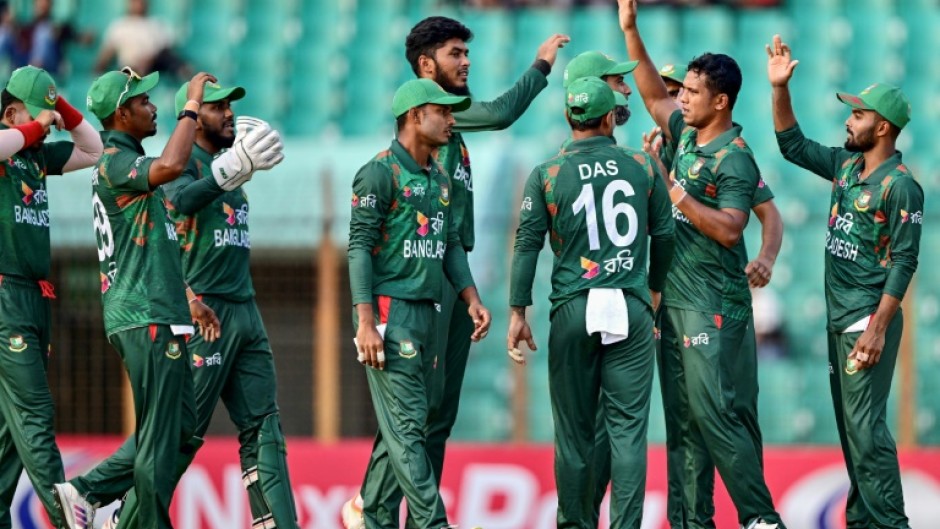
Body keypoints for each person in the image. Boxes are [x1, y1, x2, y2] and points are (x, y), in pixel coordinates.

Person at [343, 16, 568, 527]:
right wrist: (541, 66)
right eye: (455, 54)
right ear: (426, 67)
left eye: (467, 53)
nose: (466, 62)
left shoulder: (443, 131)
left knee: (432, 415)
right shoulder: (436, 121)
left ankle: (369, 506)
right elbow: (504, 112)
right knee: (417, 414)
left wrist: (469, 292)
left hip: (451, 274)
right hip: (418, 284)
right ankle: (392, 514)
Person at [54, 81, 290, 529]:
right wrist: (225, 170)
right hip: (159, 314)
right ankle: (110, 505)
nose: (228, 115)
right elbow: (176, 191)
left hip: (208, 308)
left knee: (201, 428)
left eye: (228, 106)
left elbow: (163, 239)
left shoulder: (165, 164)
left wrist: (186, 299)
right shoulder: (139, 163)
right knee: (170, 434)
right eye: (216, 107)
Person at [616, 1, 786, 528]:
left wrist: (672, 190)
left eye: (691, 92)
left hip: (714, 306)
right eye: (682, 90)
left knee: (716, 417)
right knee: (685, 425)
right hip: (678, 305)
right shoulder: (687, 136)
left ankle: (761, 519)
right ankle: (693, 522)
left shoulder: (734, 156)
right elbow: (648, 91)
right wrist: (630, 28)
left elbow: (734, 225)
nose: (679, 98)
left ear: (721, 101)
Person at [49, 67, 223, 529]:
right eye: (143, 102)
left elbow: (153, 244)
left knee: (182, 429)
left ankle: (93, 495)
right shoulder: (114, 161)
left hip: (160, 310)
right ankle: (103, 502)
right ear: (122, 113)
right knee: (161, 437)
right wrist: (190, 106)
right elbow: (173, 166)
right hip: (145, 316)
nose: (152, 107)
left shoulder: (128, 166)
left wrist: (187, 297)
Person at [508, 76, 674, 529]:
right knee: (626, 435)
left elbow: (527, 244)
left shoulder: (547, 173)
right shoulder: (641, 164)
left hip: (573, 305)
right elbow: (665, 234)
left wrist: (518, 311)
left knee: (574, 436)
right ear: (608, 118)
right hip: (630, 302)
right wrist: (653, 291)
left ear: (568, 117)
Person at [769, 34, 920, 529]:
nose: (848, 121)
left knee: (867, 430)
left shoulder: (901, 187)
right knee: (852, 431)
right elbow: (791, 145)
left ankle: (890, 523)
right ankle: (861, 520)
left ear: (882, 126)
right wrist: (779, 90)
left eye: (857, 115)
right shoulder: (846, 166)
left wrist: (877, 327)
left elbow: (904, 261)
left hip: (864, 321)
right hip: (840, 319)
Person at [347, 77, 491, 529]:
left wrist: (470, 297)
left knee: (414, 422)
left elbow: (449, 246)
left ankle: (369, 515)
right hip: (394, 313)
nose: (452, 120)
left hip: (431, 312)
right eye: (443, 112)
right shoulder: (379, 172)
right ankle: (434, 523)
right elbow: (359, 248)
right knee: (409, 427)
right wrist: (365, 322)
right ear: (415, 117)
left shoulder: (439, 178)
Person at [0, 64, 102, 528]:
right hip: (6, 299)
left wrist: (60, 107)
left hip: (35, 301)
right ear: (11, 112)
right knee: (37, 412)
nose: (48, 124)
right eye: (36, 114)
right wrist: (37, 124)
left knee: (9, 435)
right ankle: (68, 519)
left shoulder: (37, 157)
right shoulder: (9, 148)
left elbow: (93, 149)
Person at [94, 0, 190, 79]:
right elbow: (108, 51)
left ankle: (186, 75)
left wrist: (149, 59)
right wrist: (98, 70)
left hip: (154, 66)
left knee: (167, 57)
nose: (140, 4)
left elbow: (167, 50)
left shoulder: (157, 23)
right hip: (130, 67)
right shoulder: (119, 25)